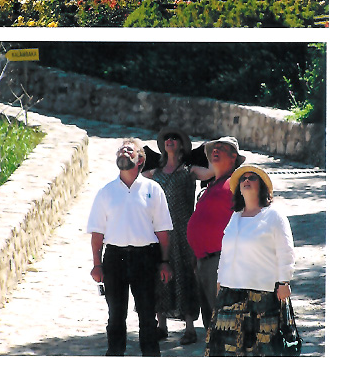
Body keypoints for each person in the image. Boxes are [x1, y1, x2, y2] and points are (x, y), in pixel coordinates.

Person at [87, 138, 173, 356]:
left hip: (146, 258)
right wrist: (97, 265)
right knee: (116, 315)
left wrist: (164, 262)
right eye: (121, 150)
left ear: (140, 159)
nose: (123, 152)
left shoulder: (153, 190)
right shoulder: (106, 192)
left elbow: (163, 232)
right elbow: (97, 234)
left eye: (129, 149)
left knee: (147, 316)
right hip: (114, 259)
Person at [205, 165, 295, 356]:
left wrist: (284, 281)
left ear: (261, 187)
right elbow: (226, 253)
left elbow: (285, 251)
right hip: (230, 293)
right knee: (226, 353)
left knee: (261, 353)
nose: (246, 181)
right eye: (243, 178)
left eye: (252, 178)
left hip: (262, 295)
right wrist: (220, 282)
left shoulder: (274, 216)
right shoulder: (235, 217)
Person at [143, 129, 200, 344]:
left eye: (174, 138)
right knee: (159, 275)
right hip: (159, 230)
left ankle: (190, 328)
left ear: (182, 145)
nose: (170, 140)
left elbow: (212, 172)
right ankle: (161, 325)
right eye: (167, 138)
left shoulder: (189, 171)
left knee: (185, 274)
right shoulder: (153, 173)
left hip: (184, 230)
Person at [186, 136, 245, 328]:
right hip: (204, 261)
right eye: (213, 149)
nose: (215, 151)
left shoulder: (237, 184)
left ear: (233, 156)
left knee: (225, 322)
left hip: (222, 262)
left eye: (221, 148)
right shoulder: (211, 185)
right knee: (212, 323)